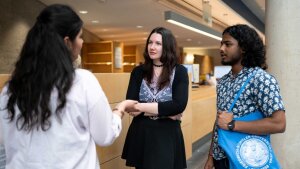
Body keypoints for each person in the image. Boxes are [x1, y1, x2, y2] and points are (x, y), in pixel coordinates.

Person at [0, 4, 136, 169]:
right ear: (67, 42)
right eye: (80, 36)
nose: (82, 42)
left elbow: (7, 141)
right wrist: (119, 110)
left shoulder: (10, 89)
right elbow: (105, 135)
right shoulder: (82, 82)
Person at [204, 24, 286, 169]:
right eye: (221, 43)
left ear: (243, 48)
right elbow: (219, 122)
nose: (221, 49)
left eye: (228, 44)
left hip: (243, 158)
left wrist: (232, 125)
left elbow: (279, 124)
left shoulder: (261, 79)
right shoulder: (223, 82)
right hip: (220, 159)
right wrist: (211, 156)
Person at [121, 27, 189, 169]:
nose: (152, 47)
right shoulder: (138, 72)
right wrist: (166, 110)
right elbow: (130, 105)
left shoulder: (180, 71)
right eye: (150, 42)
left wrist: (141, 107)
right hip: (142, 133)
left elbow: (179, 105)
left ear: (167, 46)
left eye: (158, 43)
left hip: (166, 135)